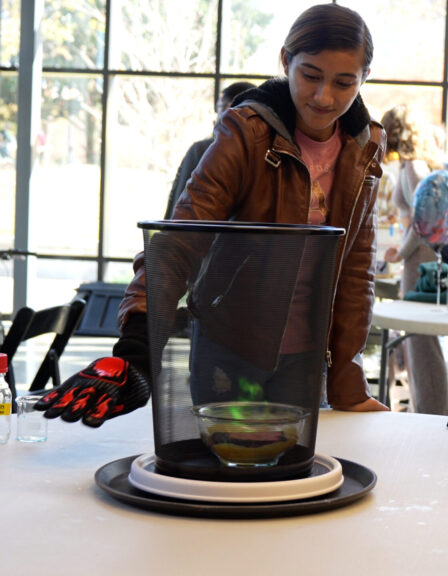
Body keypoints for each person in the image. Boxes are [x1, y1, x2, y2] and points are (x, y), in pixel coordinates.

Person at [35, 3, 389, 426]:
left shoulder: (364, 146)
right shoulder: (245, 132)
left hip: (310, 357)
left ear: (364, 79)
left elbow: (355, 267)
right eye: (310, 75)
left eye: (344, 82)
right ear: (285, 61)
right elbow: (179, 240)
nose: (323, 97)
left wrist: (348, 384)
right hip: (232, 349)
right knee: (224, 475)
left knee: (292, 479)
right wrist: (135, 353)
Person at [380, 104, 448, 415]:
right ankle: (429, 410)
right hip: (424, 259)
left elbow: (422, 226)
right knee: (420, 344)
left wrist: (401, 252)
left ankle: (432, 413)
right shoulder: (422, 165)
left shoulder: (413, 168)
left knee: (421, 345)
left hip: (419, 261)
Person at [165, 81, 257, 219]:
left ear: (228, 107)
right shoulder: (271, 155)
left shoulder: (202, 150)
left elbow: (180, 208)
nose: (216, 113)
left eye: (218, 107)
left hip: (202, 238)